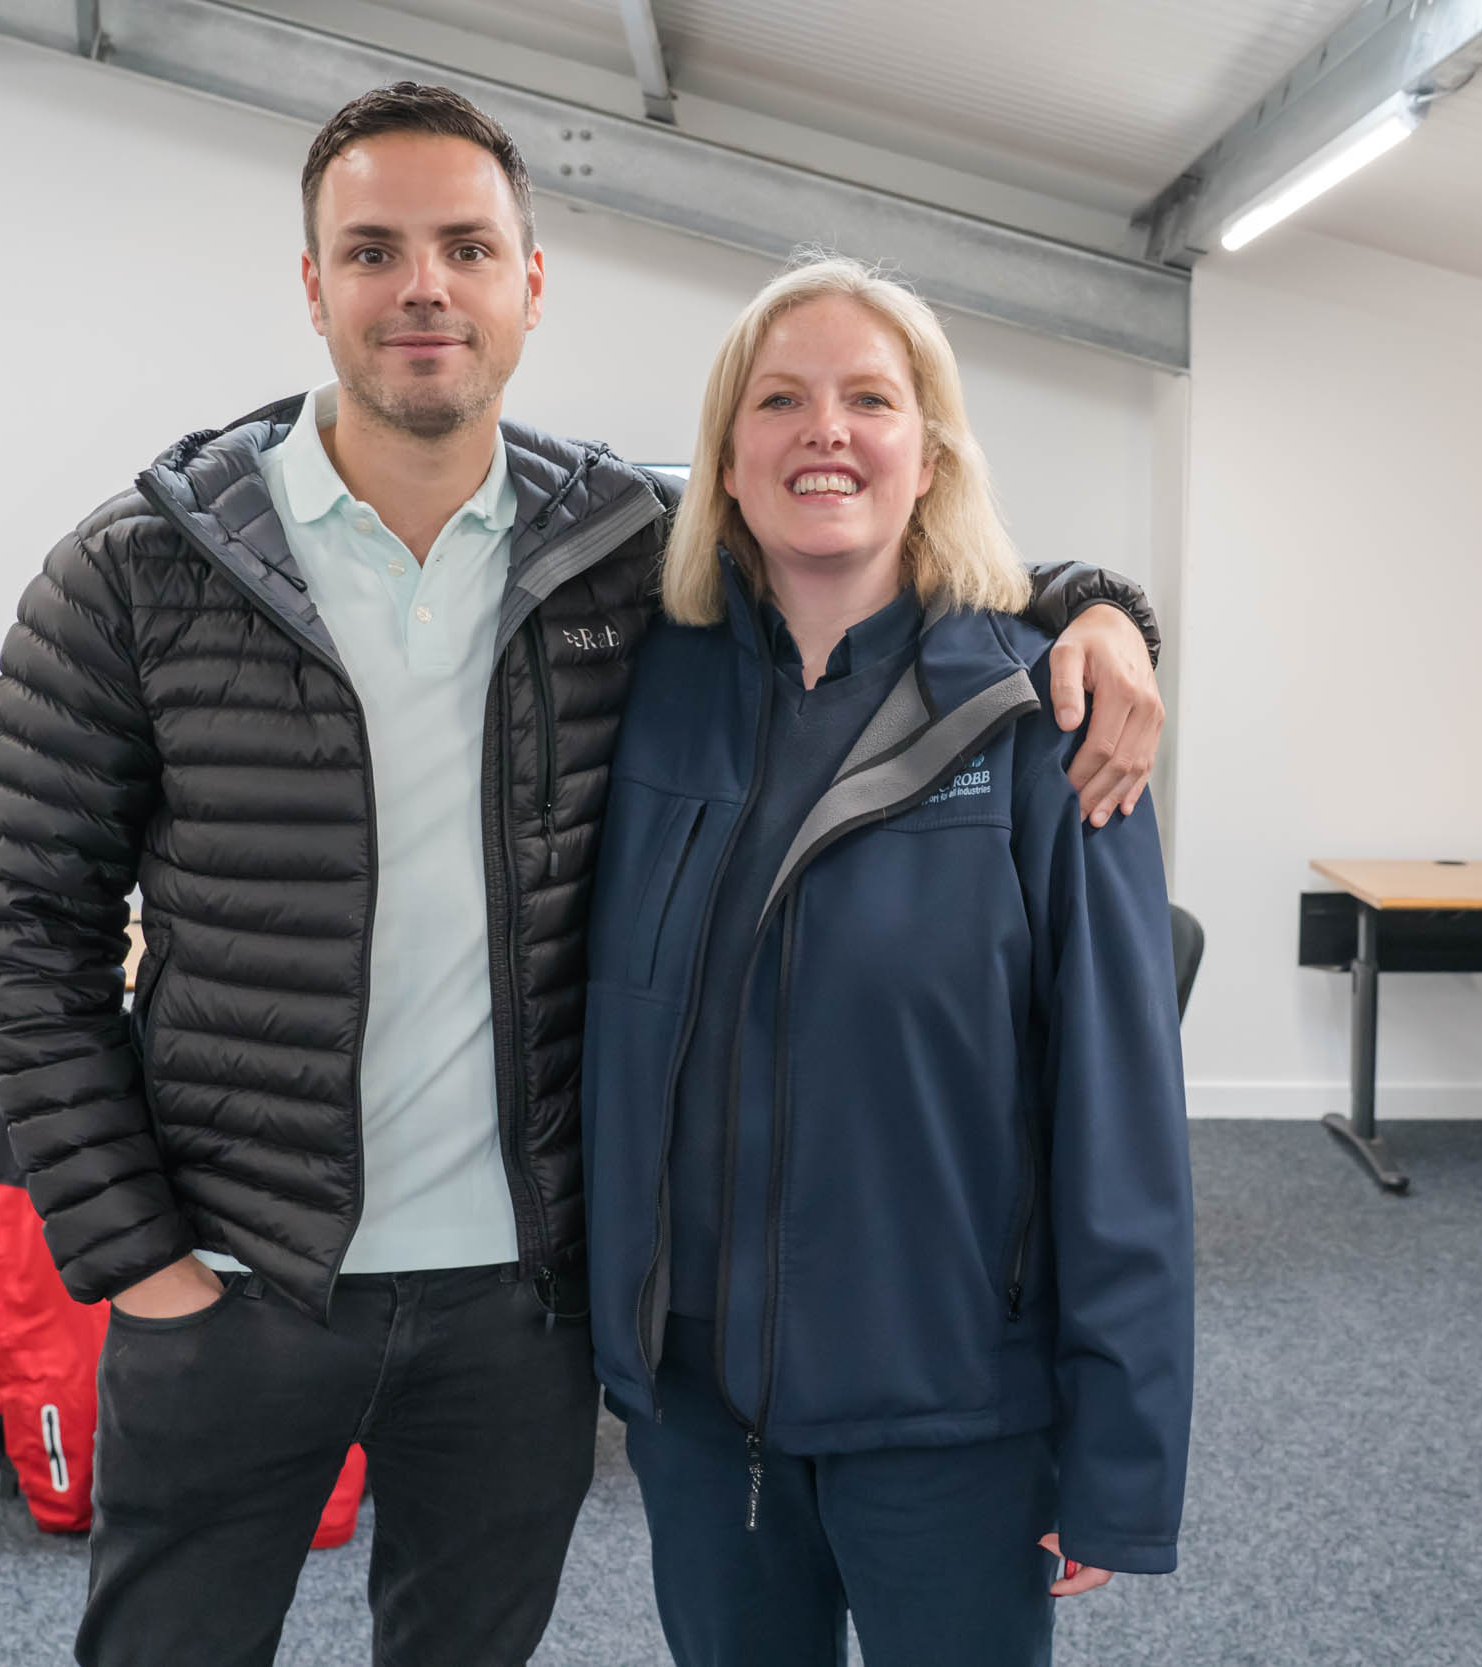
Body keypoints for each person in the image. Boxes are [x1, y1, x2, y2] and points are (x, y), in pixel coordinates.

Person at [0, 83, 1166, 1667]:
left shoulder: (611, 550)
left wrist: (1101, 607)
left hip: (513, 1311)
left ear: (531, 285)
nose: (424, 288)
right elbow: (27, 923)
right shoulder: (139, 572)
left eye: (468, 247)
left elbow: (868, 516)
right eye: (375, 249)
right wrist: (142, 1260)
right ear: (313, 285)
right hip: (241, 1279)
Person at [581, 256, 1194, 1667]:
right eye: (780, 400)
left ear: (931, 454)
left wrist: (1120, 1452)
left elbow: (1122, 1125)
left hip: (952, 1420)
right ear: (725, 458)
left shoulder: (1046, 720)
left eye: (871, 398)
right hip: (699, 1414)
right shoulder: (639, 697)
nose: (826, 432)